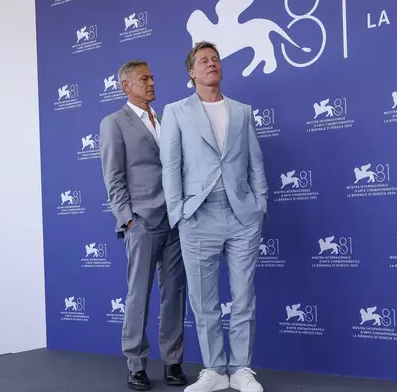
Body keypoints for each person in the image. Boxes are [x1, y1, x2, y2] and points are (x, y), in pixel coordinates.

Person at [159, 41, 268, 392]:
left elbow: (256, 162)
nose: (211, 64)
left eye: (216, 59)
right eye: (203, 61)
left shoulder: (241, 111)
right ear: (191, 73)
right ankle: (215, 371)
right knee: (203, 301)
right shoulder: (176, 111)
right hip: (197, 215)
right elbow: (171, 164)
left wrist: (259, 204)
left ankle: (240, 369)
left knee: (243, 296)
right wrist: (178, 212)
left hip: (241, 215)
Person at [99, 60, 188, 391]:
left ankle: (173, 362)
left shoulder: (163, 120)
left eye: (152, 77)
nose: (151, 83)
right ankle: (135, 364)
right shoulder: (113, 123)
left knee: (175, 293)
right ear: (126, 86)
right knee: (139, 294)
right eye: (144, 78)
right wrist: (127, 219)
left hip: (174, 220)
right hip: (142, 222)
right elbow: (113, 176)